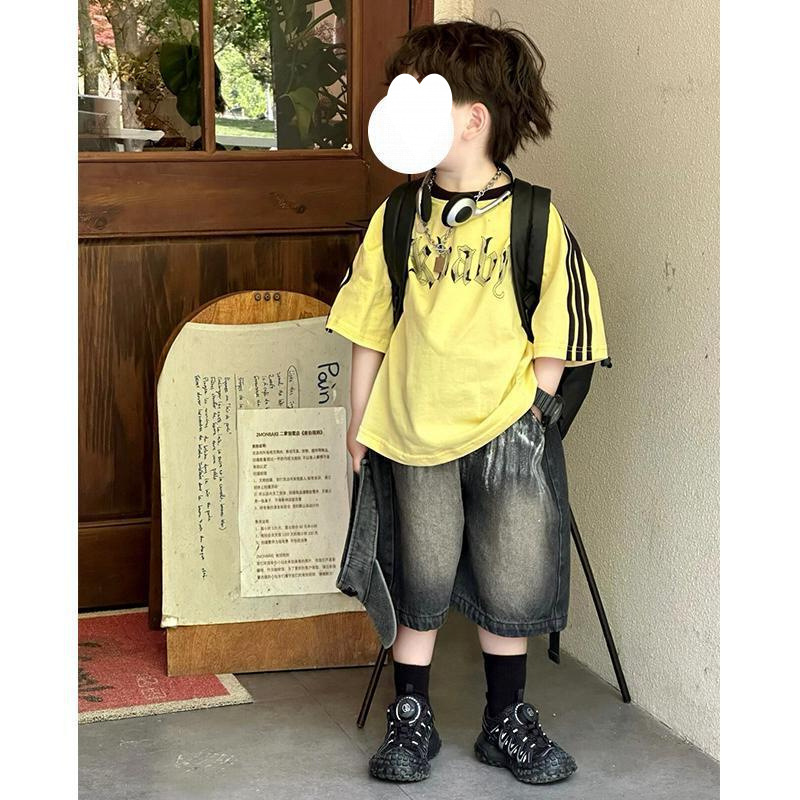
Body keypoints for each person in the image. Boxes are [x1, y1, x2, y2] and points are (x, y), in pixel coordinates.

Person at [324, 17, 610, 786]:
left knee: (508, 580)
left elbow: (560, 326)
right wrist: (359, 418)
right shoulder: (397, 218)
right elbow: (369, 324)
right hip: (412, 433)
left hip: (506, 433)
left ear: (472, 119)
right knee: (418, 579)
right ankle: (410, 716)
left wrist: (532, 411)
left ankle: (505, 719)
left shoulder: (534, 217)